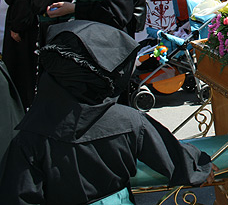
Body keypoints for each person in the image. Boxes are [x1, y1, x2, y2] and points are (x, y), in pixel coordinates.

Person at [0, 20, 215, 204]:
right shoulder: (128, 121)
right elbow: (174, 155)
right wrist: (201, 167)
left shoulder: (28, 138)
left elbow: (18, 196)